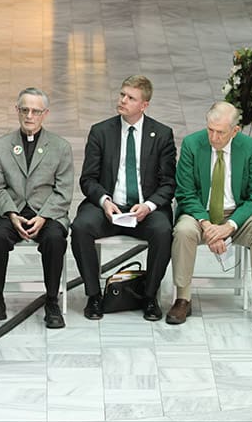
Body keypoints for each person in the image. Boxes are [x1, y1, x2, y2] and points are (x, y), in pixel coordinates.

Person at [71, 75, 176, 322]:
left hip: (145, 209)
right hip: (110, 207)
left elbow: (169, 183)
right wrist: (105, 201)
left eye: (131, 98)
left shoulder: (161, 134)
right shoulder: (100, 131)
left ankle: (149, 296)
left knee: (164, 231)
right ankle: (94, 295)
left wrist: (149, 206)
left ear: (144, 105)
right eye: (122, 95)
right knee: (80, 227)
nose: (123, 101)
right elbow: (88, 179)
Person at [168, 101, 252, 328]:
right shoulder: (191, 144)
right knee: (183, 231)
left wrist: (230, 226)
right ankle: (182, 297)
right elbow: (185, 193)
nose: (214, 137)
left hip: (237, 214)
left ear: (235, 131)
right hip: (200, 213)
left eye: (220, 132)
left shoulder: (248, 147)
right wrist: (208, 226)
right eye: (210, 130)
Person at [0, 88, 73, 329]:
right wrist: (12, 215)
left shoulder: (60, 147)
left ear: (45, 114)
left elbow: (64, 192)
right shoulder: (1, 146)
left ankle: (52, 301)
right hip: (12, 211)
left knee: (55, 239)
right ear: (17, 111)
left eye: (35, 111)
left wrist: (43, 216)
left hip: (47, 212)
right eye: (24, 110)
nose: (29, 116)